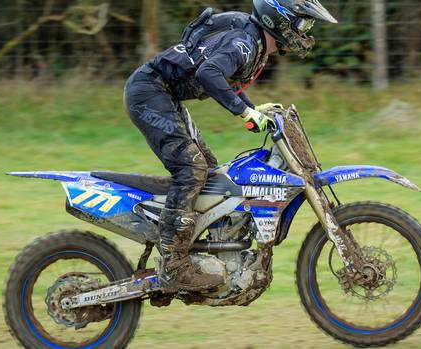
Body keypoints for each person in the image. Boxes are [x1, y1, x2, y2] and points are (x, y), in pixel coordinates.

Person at [123, 0, 337, 291]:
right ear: (281, 21)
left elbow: (221, 79)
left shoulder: (253, 41)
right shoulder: (245, 42)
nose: (307, 32)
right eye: (303, 24)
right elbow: (208, 74)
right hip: (149, 93)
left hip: (163, 95)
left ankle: (204, 250)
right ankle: (174, 265)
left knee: (211, 174)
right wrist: (245, 112)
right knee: (191, 169)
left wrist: (252, 110)